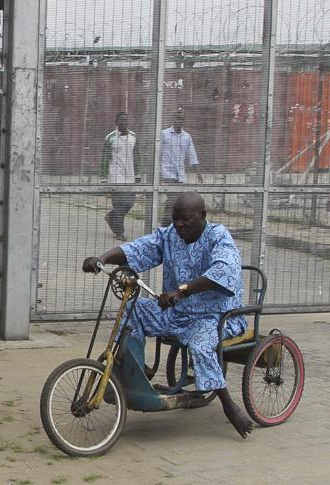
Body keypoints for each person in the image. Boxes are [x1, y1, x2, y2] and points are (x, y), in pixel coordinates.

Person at [81, 192, 254, 439]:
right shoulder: (170, 236)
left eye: (186, 220)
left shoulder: (218, 237)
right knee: (135, 308)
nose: (180, 225)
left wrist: (181, 291)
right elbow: (139, 248)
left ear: (202, 216)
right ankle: (138, 371)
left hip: (216, 316)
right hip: (178, 312)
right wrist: (103, 258)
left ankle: (229, 406)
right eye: (176, 220)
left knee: (200, 344)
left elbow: (223, 271)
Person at [101, 112, 140, 241]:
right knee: (119, 204)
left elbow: (137, 157)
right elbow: (105, 158)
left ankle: (111, 217)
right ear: (116, 122)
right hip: (115, 176)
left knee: (129, 203)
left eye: (126, 120)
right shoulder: (110, 138)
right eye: (121, 120)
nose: (124, 122)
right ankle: (119, 232)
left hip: (130, 176)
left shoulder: (133, 137)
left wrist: (138, 174)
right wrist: (103, 176)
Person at [160, 112, 201, 226]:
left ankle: (167, 224)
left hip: (180, 174)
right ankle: (166, 224)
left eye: (181, 119)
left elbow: (192, 155)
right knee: (173, 199)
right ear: (173, 119)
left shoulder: (186, 137)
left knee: (175, 201)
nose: (179, 121)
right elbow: (158, 153)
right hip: (167, 172)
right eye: (177, 118)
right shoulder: (164, 134)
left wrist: (198, 172)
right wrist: (157, 172)